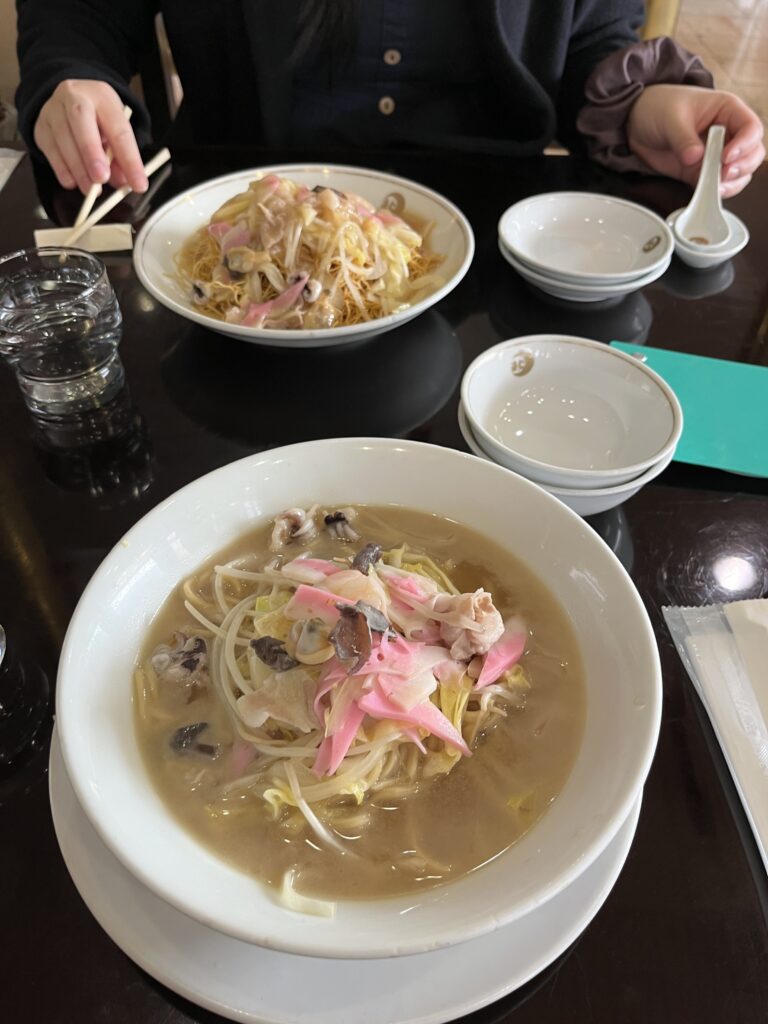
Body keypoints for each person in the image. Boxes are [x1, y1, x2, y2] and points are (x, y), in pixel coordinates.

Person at [15, 0, 765, 198]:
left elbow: (590, 34)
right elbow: (79, 10)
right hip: (233, 212)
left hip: (498, 248)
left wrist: (644, 106)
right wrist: (73, 77)